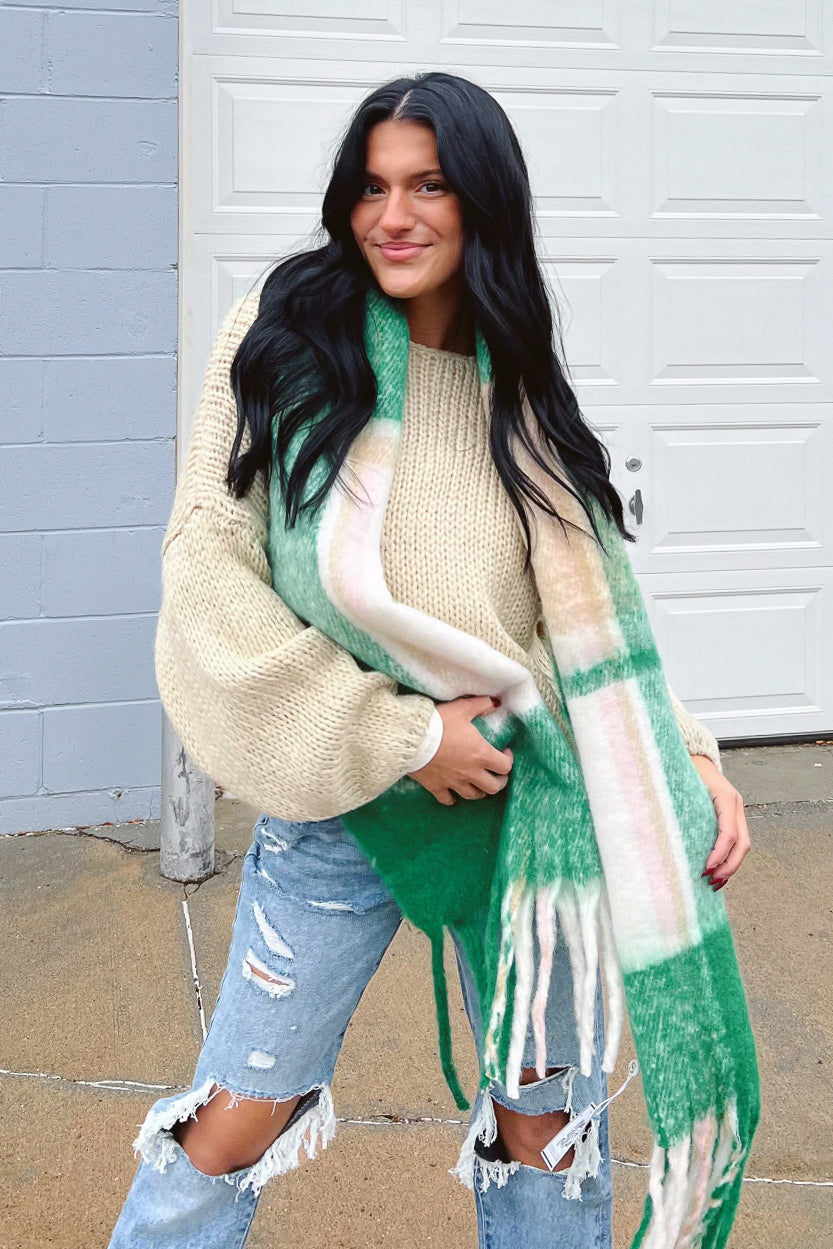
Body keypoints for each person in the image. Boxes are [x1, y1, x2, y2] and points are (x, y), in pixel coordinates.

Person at [108, 72, 752, 1249]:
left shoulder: (525, 396)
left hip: (528, 814)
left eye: (428, 186)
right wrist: (404, 736)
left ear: (481, 203)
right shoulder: (284, 341)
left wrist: (688, 757)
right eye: (371, 187)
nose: (391, 216)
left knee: (542, 1131)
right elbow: (207, 567)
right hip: (342, 804)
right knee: (239, 1116)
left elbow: (586, 629)